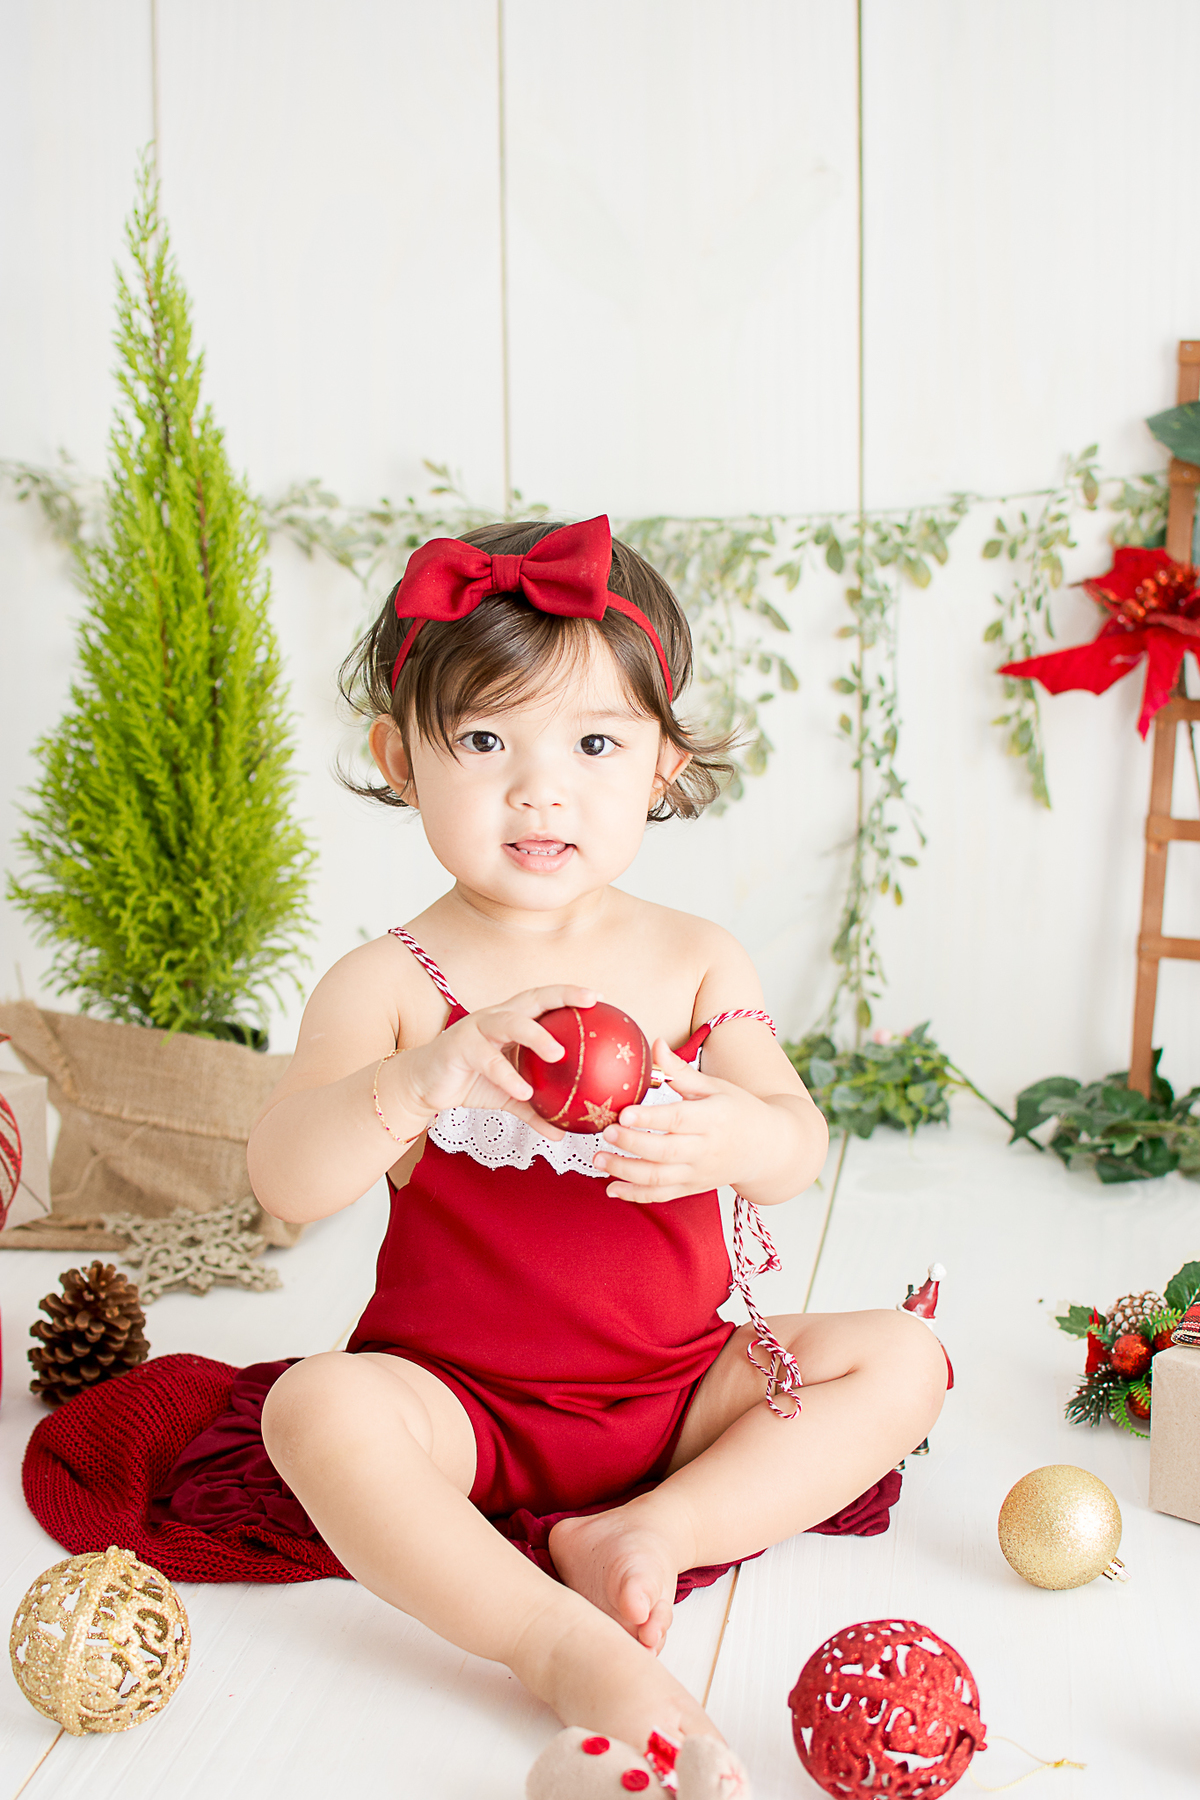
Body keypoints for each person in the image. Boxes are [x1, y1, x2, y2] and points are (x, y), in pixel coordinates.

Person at [247, 515, 947, 1783]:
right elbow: (284, 1180)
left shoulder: (694, 960)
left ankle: (648, 1534)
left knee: (902, 1358)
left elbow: (795, 1146)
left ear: (664, 766)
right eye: (481, 740)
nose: (539, 787)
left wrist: (726, 1134)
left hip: (685, 1393)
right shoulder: (391, 983)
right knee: (316, 1410)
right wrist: (422, 1077)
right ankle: (549, 1641)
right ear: (398, 758)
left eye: (594, 742)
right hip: (463, 1408)